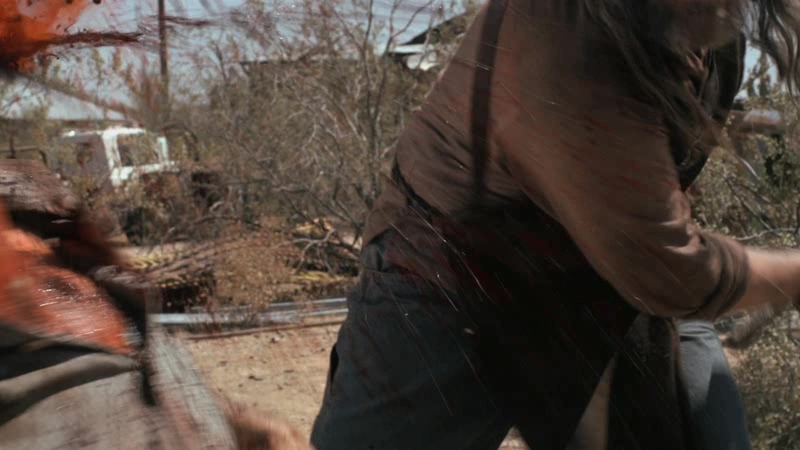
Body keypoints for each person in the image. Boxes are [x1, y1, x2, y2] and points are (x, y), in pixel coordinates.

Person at [311, 1, 800, 449]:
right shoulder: (569, 30)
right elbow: (671, 272)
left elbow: (655, 217)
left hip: (602, 280)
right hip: (447, 277)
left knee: (707, 435)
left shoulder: (716, 41)